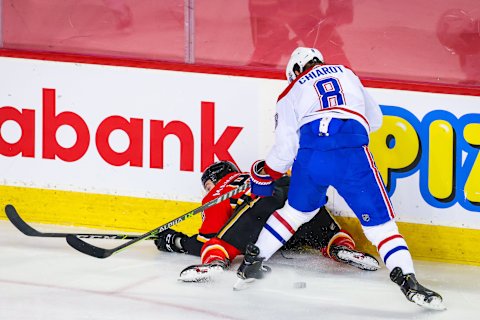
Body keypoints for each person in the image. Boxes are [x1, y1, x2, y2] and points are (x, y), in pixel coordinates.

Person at [235, 47, 445, 311]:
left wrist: (266, 173)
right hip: (350, 154)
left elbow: (285, 151)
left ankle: (253, 263)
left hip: (311, 156)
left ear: (296, 72)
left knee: (294, 213)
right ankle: (409, 281)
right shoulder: (347, 73)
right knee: (382, 228)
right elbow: (376, 120)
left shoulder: (290, 91)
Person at [154, 160, 379, 282]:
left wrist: (175, 241)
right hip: (294, 195)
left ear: (214, 181)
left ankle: (215, 263)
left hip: (262, 213)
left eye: (207, 185)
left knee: (218, 246)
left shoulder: (218, 191)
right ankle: (340, 246)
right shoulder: (255, 172)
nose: (207, 190)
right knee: (320, 227)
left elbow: (208, 238)